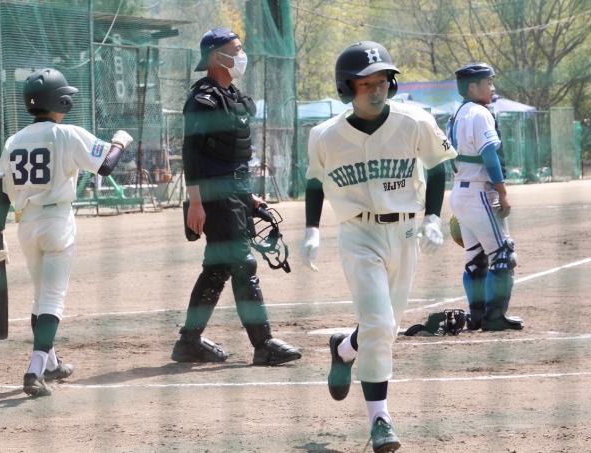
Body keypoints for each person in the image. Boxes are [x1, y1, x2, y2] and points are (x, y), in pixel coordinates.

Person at [301, 42, 456, 452]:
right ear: (346, 88)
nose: (376, 90)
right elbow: (315, 181)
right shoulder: (325, 135)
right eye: (365, 83)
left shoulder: (414, 121)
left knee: (384, 327)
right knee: (379, 322)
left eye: (383, 81)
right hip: (358, 235)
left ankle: (344, 349)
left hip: (405, 234)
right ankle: (380, 420)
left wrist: (433, 217)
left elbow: (437, 166)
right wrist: (312, 229)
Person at [0, 68, 133, 396]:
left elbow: (1, 190)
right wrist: (119, 143)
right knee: (52, 299)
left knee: (41, 296)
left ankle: (51, 364)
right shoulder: (66, 133)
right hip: (57, 223)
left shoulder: (13, 140)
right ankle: (35, 369)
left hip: (26, 225)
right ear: (60, 101)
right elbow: (106, 165)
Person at [172, 28, 301, 366]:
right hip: (213, 195)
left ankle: (188, 343)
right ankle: (264, 344)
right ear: (218, 57)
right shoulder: (203, 99)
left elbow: (232, 158)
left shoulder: (233, 97)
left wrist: (249, 196)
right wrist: (195, 202)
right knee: (243, 263)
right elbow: (191, 153)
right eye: (237, 49)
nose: (242, 55)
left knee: (218, 268)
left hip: (235, 193)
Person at [447, 63, 523, 331]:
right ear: (472, 86)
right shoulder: (479, 113)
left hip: (460, 191)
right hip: (480, 192)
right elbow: (489, 154)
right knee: (503, 255)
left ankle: (477, 316)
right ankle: (494, 318)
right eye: (488, 83)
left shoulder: (457, 113)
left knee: (476, 259)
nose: (492, 87)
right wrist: (502, 192)